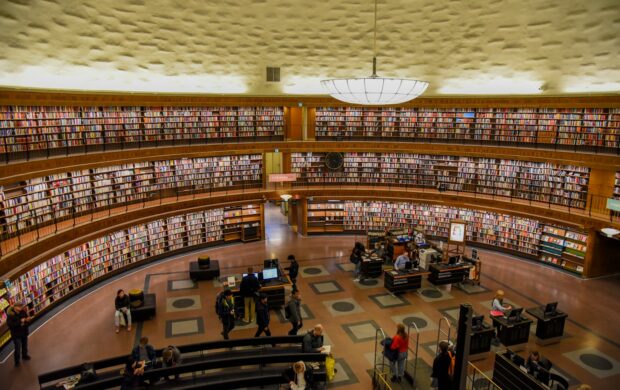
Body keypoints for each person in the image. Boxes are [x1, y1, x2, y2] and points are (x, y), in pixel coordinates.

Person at [7, 301, 32, 367]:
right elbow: (11, 325)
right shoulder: (11, 315)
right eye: (19, 306)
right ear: (15, 307)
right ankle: (17, 361)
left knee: (25, 345)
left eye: (21, 306)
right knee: (17, 348)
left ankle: (24, 355)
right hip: (16, 334)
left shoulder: (23, 312)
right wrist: (20, 321)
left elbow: (26, 318)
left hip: (24, 332)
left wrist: (27, 320)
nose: (21, 307)